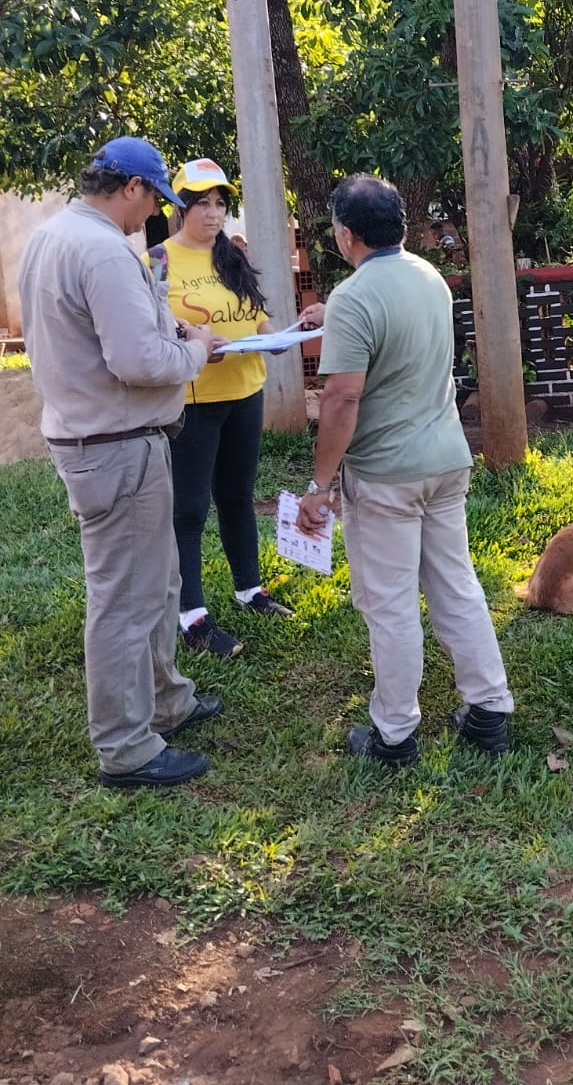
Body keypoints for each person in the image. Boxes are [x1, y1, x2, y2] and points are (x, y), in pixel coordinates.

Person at [17, 136, 221, 790]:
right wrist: (195, 353)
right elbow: (137, 364)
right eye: (153, 200)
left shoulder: (53, 237)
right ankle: (126, 747)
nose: (152, 216)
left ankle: (166, 700)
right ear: (131, 187)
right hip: (116, 445)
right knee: (124, 602)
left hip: (99, 440)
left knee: (156, 583)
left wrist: (174, 333)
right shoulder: (105, 250)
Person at [295, 174, 513, 765]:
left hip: (386, 474)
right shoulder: (429, 278)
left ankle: (393, 734)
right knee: (456, 585)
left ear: (345, 234)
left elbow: (341, 399)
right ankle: (489, 709)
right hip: (445, 461)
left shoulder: (355, 298)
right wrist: (333, 314)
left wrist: (319, 487)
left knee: (389, 603)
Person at [155, 159, 294, 658]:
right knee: (189, 508)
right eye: (201, 203)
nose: (212, 213)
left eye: (219, 203)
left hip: (244, 391)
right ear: (179, 206)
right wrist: (188, 342)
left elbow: (255, 322)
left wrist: (276, 339)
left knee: (237, 496)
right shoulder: (158, 261)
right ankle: (190, 614)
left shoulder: (233, 256)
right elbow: (150, 329)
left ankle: (249, 589)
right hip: (194, 401)